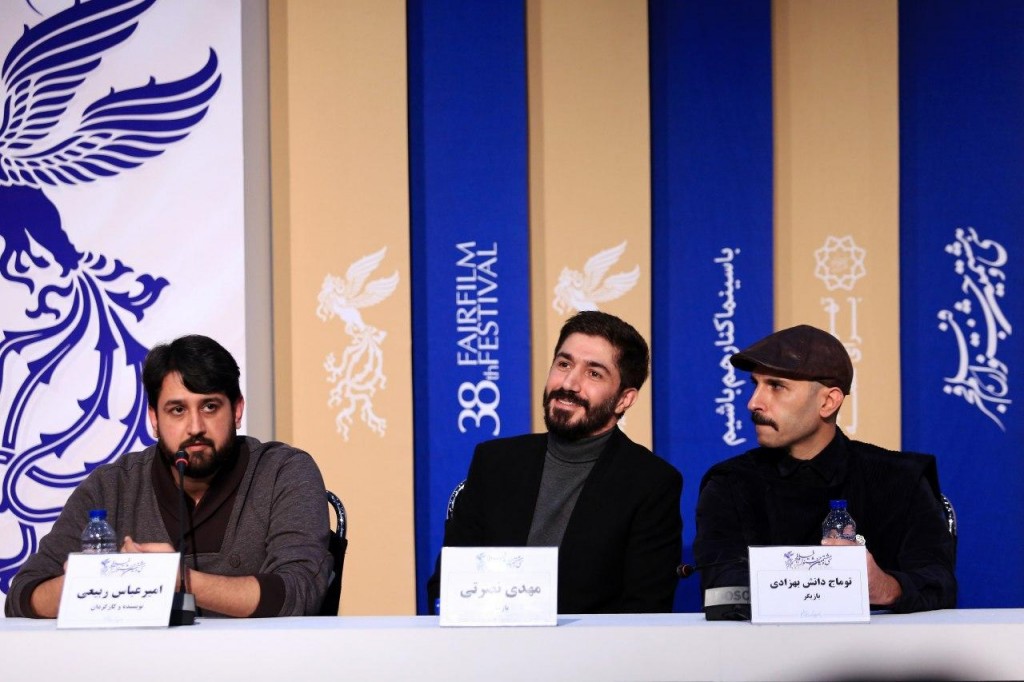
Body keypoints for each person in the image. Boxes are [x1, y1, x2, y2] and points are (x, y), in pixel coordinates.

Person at [5, 335, 331, 618]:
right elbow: (22, 596)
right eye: (177, 410)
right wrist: (95, 582)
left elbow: (301, 593)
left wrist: (174, 579)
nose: (195, 427)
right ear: (154, 419)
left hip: (258, 662)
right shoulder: (111, 487)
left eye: (210, 407)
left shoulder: (284, 473)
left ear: (236, 410)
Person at [428, 311, 683, 614]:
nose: (570, 383)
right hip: (491, 639)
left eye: (594, 374)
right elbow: (449, 586)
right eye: (564, 364)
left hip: (593, 644)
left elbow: (645, 610)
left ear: (624, 399)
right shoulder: (495, 462)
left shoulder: (650, 483)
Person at [693, 324, 957, 613]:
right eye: (755, 384)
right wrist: (826, 583)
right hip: (764, 642)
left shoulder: (901, 478)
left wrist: (885, 587)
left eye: (776, 386)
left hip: (878, 643)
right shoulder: (730, 483)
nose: (753, 403)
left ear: (828, 402)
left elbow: (939, 584)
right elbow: (723, 593)